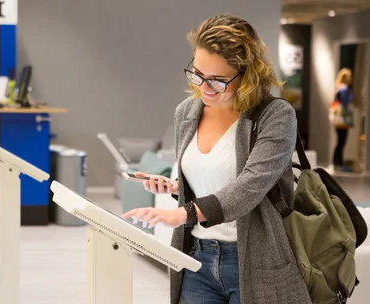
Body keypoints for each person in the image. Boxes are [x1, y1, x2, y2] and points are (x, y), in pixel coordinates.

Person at [122, 14, 310, 304]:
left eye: (218, 80)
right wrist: (175, 187)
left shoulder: (276, 116)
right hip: (196, 258)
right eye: (197, 74)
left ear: (248, 75)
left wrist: (184, 212)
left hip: (255, 259)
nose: (204, 87)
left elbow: (248, 187)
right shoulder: (187, 112)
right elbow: (214, 179)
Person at [330, 68, 354, 171]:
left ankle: (336, 162)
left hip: (337, 120)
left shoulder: (338, 88)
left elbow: (335, 104)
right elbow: (345, 103)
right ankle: (338, 163)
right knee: (341, 142)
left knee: (339, 142)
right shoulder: (344, 89)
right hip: (343, 119)